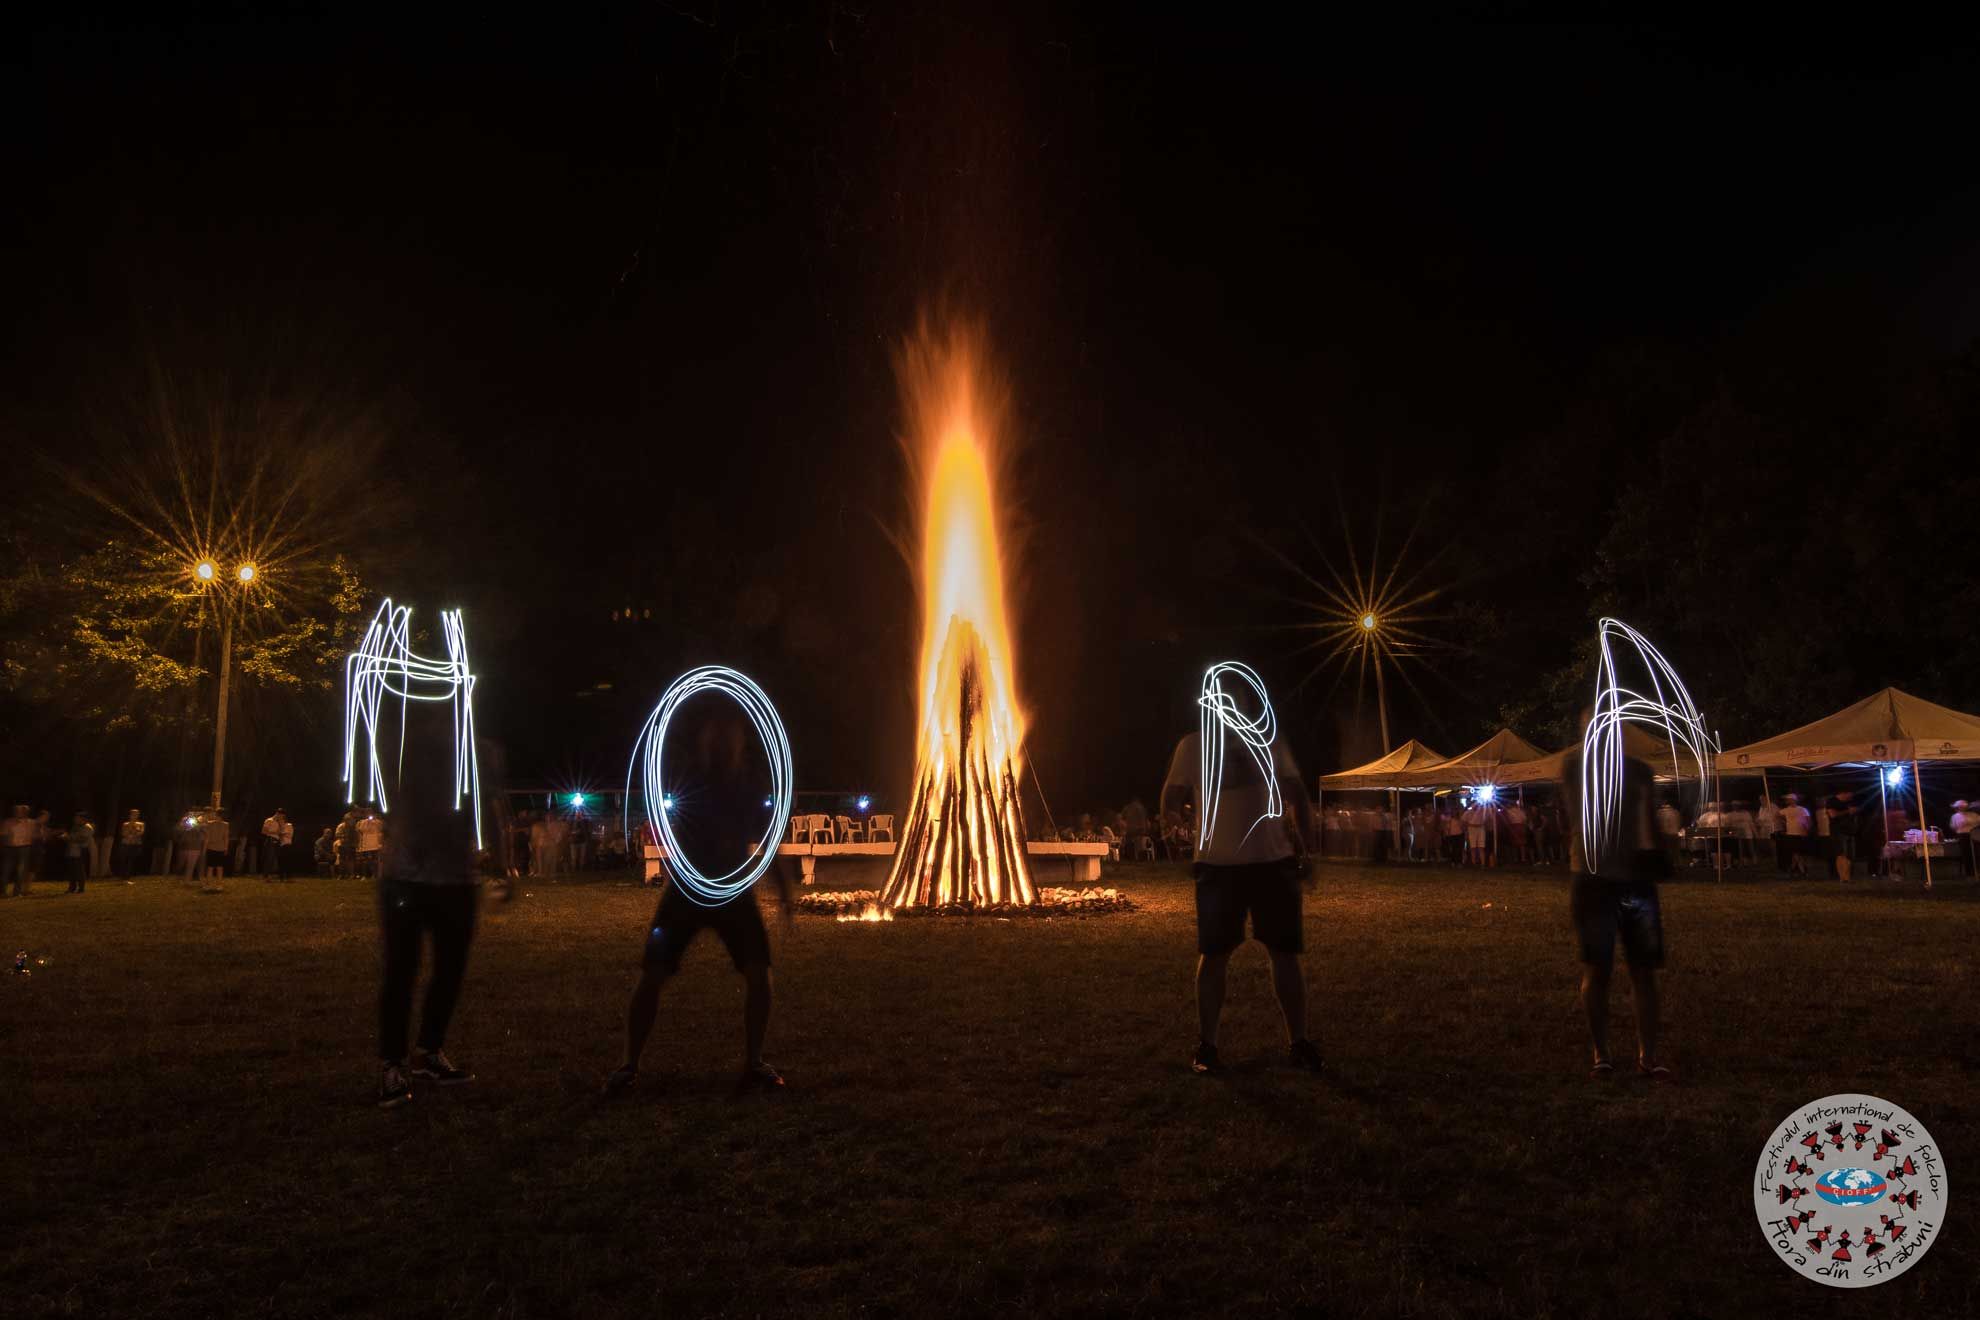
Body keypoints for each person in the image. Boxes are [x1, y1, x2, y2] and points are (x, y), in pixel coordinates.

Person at [606, 707, 797, 1094]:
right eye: (716, 738)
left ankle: (754, 1062)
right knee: (653, 972)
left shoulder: (750, 785)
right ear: (706, 744)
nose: (724, 745)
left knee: (759, 973)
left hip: (734, 892)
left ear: (741, 744)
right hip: (687, 891)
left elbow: (768, 841)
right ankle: (628, 1065)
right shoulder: (691, 779)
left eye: (731, 738)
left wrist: (785, 893)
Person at [1161, 718, 1323, 1077]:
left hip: (1272, 863)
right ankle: (1208, 1045)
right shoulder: (1194, 744)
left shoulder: (1272, 741)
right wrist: (1174, 833)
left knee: (1284, 953)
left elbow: (1296, 792)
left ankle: (1299, 1042)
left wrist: (1307, 851)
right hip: (1219, 865)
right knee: (1214, 953)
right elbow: (1172, 796)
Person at [374, 711, 509, 1108]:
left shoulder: (481, 751)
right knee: (401, 970)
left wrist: (501, 865)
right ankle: (392, 1063)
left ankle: (427, 1051)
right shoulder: (403, 743)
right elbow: (386, 793)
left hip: (456, 879)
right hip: (406, 877)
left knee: (450, 971)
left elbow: (492, 808)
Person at [1560, 717, 1670, 1083]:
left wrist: (1660, 856)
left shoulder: (1640, 771)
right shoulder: (1576, 767)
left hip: (1636, 881)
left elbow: (1649, 822)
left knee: (1644, 971)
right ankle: (1601, 1053)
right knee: (1597, 968)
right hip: (1594, 881)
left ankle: (1648, 1056)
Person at [3, 804, 36, 896]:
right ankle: (2, 891)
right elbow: (4, 835)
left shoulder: (31, 823)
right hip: (10, 848)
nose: (19, 812)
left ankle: (17, 892)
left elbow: (37, 832)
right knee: (6, 870)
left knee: (21, 871)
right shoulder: (8, 822)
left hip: (24, 848)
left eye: (22, 811)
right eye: (17, 811)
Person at [1780, 793, 1812, 876]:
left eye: (1789, 799)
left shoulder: (1802, 809)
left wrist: (1807, 830)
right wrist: (1784, 823)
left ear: (1794, 800)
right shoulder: (1785, 810)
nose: (1787, 801)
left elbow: (1808, 821)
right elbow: (1777, 815)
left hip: (1800, 833)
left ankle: (1798, 869)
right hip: (1790, 833)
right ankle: (1799, 870)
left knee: (1797, 852)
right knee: (1795, 852)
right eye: (1787, 799)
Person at [65, 812, 96, 893]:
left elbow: (83, 839)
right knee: (72, 870)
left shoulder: (87, 827)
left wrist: (69, 838)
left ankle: (81, 887)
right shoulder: (76, 827)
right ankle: (72, 887)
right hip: (72, 851)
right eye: (75, 818)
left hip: (80, 851)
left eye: (77, 818)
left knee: (79, 870)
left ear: (83, 819)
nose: (75, 820)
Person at [114, 809, 145, 881]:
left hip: (135, 844)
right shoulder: (125, 824)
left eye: (136, 814)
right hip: (126, 843)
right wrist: (131, 832)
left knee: (131, 860)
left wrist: (134, 832)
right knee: (124, 859)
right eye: (133, 814)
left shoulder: (141, 824)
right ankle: (122, 875)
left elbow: (141, 833)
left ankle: (128, 876)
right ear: (130, 815)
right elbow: (123, 833)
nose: (134, 816)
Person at [202, 809, 230, 884]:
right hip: (221, 848)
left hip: (211, 847)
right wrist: (226, 848)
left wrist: (204, 849)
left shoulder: (209, 824)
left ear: (216, 814)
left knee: (210, 867)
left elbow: (207, 838)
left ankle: (208, 883)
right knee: (220, 867)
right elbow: (226, 838)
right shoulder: (226, 824)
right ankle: (219, 885)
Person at [261, 809, 289, 881]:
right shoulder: (269, 820)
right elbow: (263, 831)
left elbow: (282, 831)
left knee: (278, 858)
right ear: (277, 814)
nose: (282, 817)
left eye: (283, 817)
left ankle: (281, 876)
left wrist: (281, 825)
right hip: (270, 839)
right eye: (281, 816)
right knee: (269, 858)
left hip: (278, 840)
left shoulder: (280, 822)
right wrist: (273, 832)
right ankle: (266, 876)